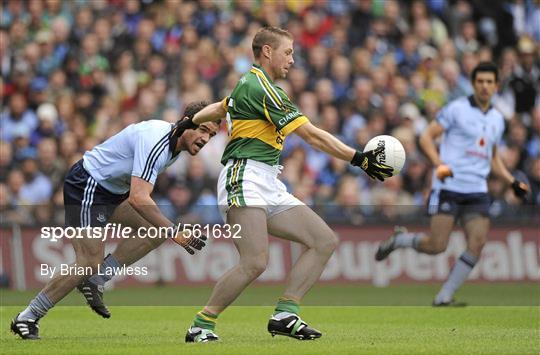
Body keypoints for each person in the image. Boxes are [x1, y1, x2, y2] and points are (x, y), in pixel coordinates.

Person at [180, 26, 393, 342]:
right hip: (244, 176)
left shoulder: (249, 85)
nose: (292, 60)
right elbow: (311, 135)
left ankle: (285, 314)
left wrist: (187, 123)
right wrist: (359, 158)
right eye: (288, 52)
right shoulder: (262, 88)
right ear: (267, 51)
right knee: (255, 261)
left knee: (324, 240)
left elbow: (220, 107)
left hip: (267, 179)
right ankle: (201, 324)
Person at [11, 102, 218, 340]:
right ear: (186, 122)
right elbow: (139, 197)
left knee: (155, 230)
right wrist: (176, 232)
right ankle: (27, 316)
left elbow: (137, 195)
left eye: (211, 135)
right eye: (203, 130)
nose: (205, 139)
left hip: (112, 192)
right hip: (88, 184)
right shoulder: (157, 140)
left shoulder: (174, 146)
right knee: (89, 260)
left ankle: (96, 279)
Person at [375, 62, 529, 306]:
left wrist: (512, 182)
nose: (485, 86)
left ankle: (444, 296)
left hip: (477, 190)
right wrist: (439, 164)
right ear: (473, 84)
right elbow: (426, 137)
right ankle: (400, 240)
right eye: (480, 81)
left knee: (477, 243)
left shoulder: (498, 119)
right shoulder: (456, 109)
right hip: (449, 186)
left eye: (490, 82)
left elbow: (493, 158)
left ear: (496, 86)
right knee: (437, 245)